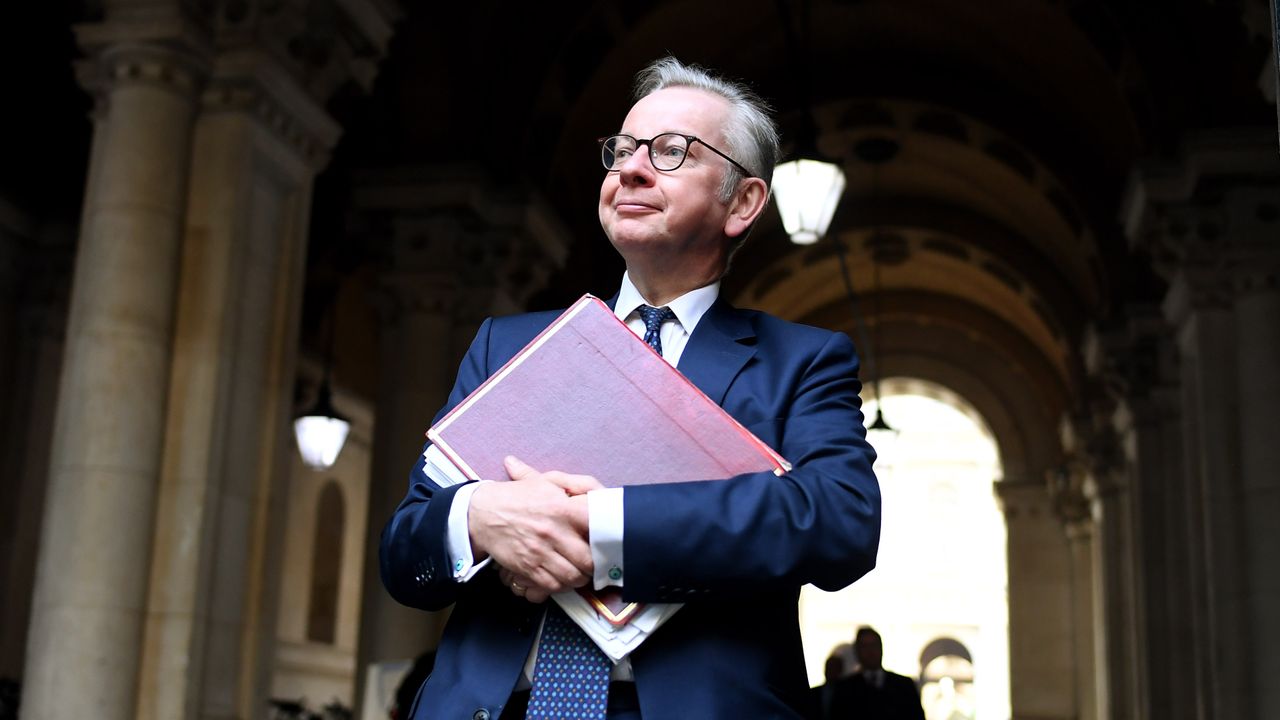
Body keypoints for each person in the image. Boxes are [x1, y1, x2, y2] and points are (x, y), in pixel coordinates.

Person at [380, 56, 881, 719]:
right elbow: (405, 549)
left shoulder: (801, 361)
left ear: (744, 202)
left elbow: (840, 523)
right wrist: (478, 519)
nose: (633, 169)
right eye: (622, 151)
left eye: (672, 152)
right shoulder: (506, 343)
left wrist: (603, 526)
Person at [828, 627, 925, 720]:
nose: (870, 651)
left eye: (874, 645)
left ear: (881, 648)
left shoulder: (905, 685)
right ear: (857, 651)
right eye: (865, 646)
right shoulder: (844, 689)